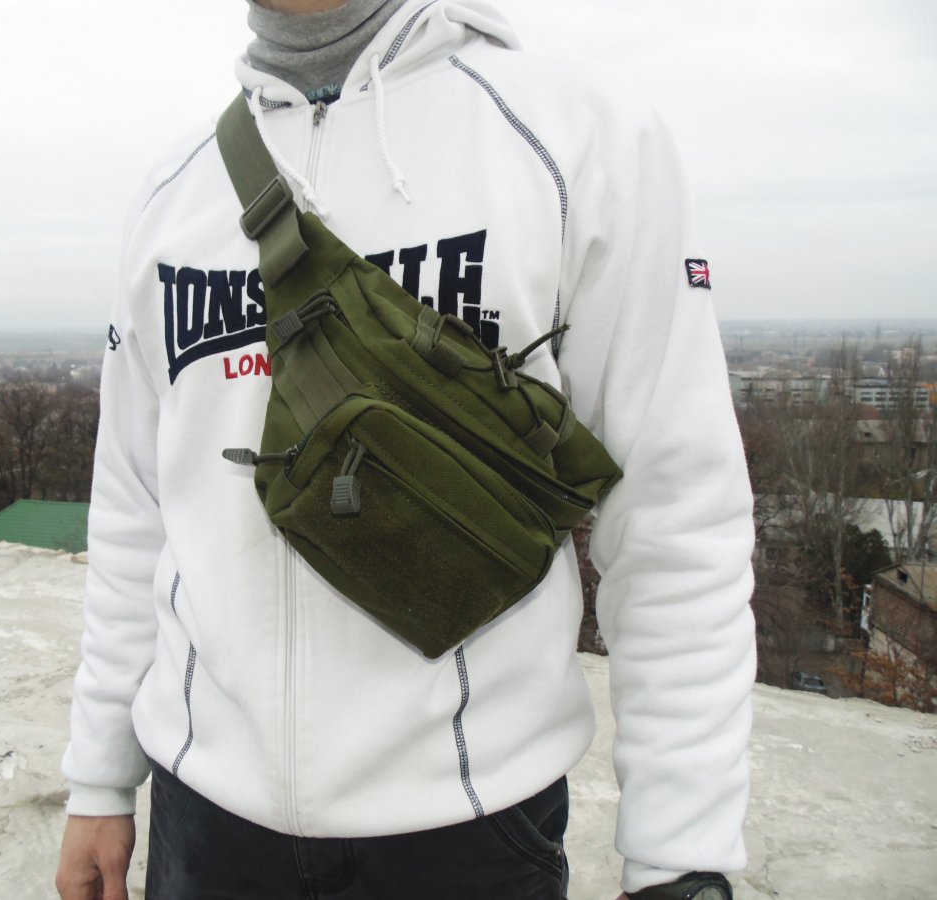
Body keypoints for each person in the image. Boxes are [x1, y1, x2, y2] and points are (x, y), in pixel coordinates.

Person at [56, 1, 756, 898]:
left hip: (467, 826)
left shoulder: (574, 138)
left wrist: (680, 854)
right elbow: (136, 511)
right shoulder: (174, 190)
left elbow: (674, 511)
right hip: (204, 819)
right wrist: (100, 776)